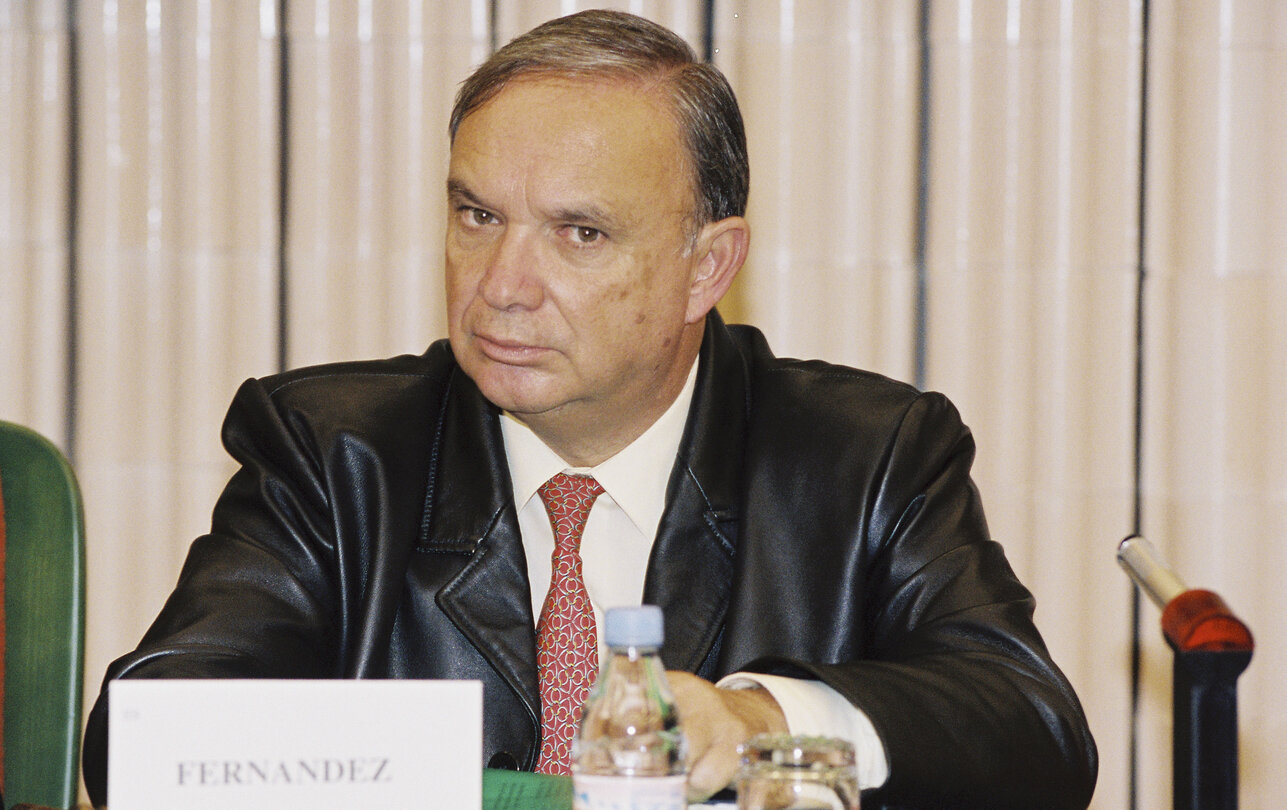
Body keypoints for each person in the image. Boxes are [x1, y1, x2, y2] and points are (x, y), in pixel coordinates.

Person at [82, 10, 1096, 808]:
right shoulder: (337, 454)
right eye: (477, 215)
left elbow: (1034, 732)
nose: (502, 284)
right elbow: (139, 741)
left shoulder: (865, 458)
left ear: (707, 267)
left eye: (579, 234)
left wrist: (761, 720)